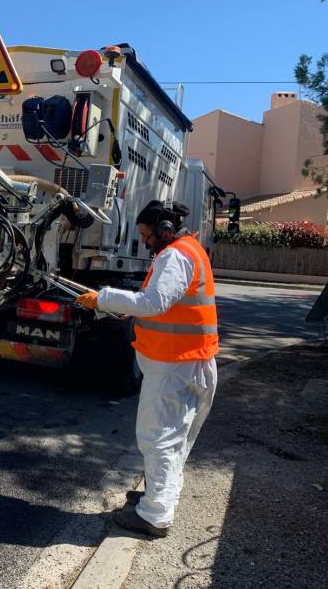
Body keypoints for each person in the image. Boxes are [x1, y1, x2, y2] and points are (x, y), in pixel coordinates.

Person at [76, 200, 218, 538]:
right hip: (187, 362)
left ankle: (154, 515)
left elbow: (153, 303)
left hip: (175, 366)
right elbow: (164, 305)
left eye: (146, 234)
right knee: (173, 439)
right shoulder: (189, 250)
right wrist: (126, 308)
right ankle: (160, 498)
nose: (144, 241)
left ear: (165, 229)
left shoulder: (175, 256)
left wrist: (104, 298)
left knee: (159, 440)